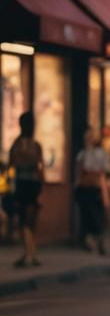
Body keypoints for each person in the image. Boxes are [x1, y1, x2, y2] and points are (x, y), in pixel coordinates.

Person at [8, 112, 45, 267]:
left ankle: (29, 253)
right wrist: (41, 184)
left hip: (22, 183)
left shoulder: (17, 145)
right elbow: (41, 167)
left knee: (24, 219)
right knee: (31, 219)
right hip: (33, 183)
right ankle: (31, 253)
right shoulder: (35, 145)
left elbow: (12, 164)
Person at [75, 127, 109, 256]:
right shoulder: (83, 154)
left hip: (95, 188)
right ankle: (89, 239)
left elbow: (102, 174)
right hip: (85, 187)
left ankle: (98, 238)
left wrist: (105, 193)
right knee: (87, 215)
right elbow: (79, 171)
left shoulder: (99, 153)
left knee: (96, 215)